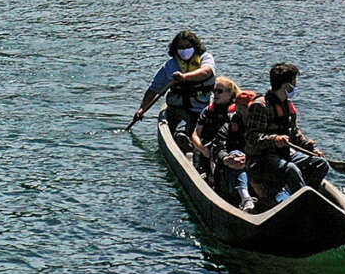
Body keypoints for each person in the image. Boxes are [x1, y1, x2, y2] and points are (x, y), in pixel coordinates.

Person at [238, 62, 330, 210]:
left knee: (320, 163)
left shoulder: (288, 106)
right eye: (294, 82)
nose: (296, 86)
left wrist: (311, 147)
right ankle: (303, 206)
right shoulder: (260, 106)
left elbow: (294, 133)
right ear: (286, 86)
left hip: (283, 155)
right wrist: (274, 140)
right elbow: (251, 138)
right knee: (291, 170)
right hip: (259, 160)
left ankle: (301, 195)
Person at [125, 30, 217, 136]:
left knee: (201, 124)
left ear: (195, 47)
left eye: (188, 46)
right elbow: (154, 89)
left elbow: (206, 72)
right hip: (178, 108)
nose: (184, 50)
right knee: (180, 121)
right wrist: (142, 109)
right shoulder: (170, 66)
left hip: (202, 106)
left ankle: (191, 139)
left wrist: (184, 77)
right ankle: (181, 137)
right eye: (181, 47)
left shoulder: (205, 58)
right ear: (175, 49)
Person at [188, 77, 255, 205]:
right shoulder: (208, 111)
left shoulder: (236, 112)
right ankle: (205, 175)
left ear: (230, 94)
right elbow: (196, 134)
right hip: (211, 146)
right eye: (214, 91)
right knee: (203, 152)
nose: (215, 95)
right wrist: (202, 148)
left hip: (229, 147)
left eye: (219, 91)